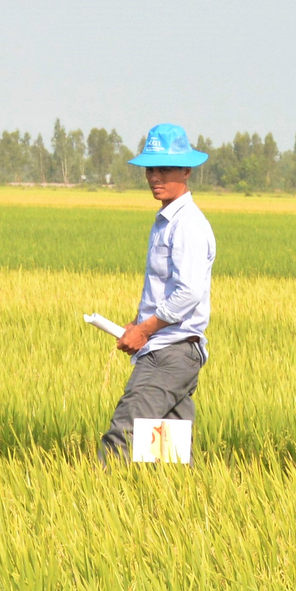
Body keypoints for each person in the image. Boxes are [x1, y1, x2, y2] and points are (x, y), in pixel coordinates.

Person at [99, 124, 217, 460]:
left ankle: (93, 503)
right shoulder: (167, 220)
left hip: (169, 354)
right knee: (169, 454)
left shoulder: (187, 225)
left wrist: (145, 330)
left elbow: (188, 292)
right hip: (170, 349)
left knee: (123, 434)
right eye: (151, 169)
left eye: (165, 169)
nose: (155, 177)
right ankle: (182, 508)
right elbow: (164, 289)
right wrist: (137, 322)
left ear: (187, 171)